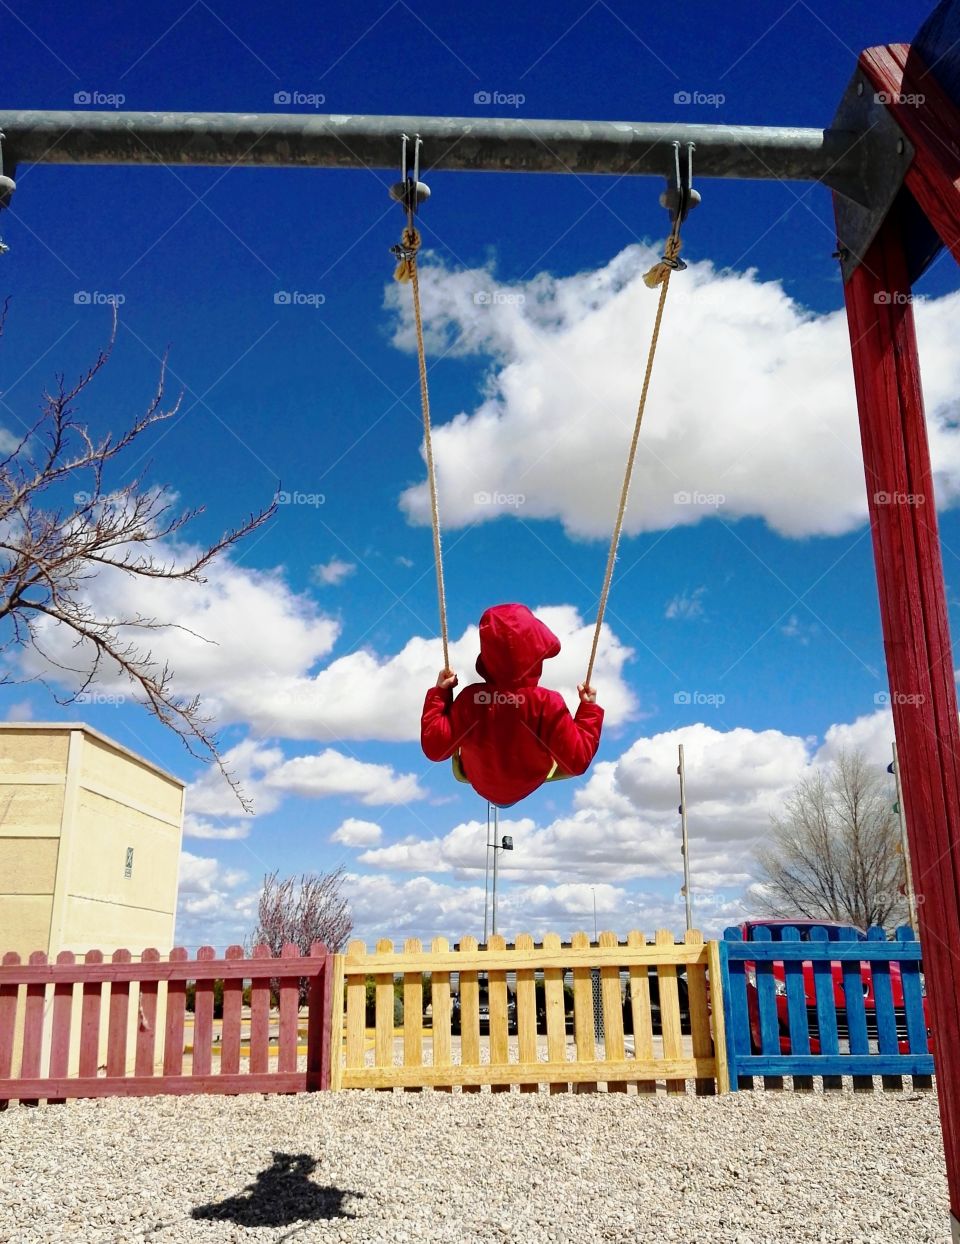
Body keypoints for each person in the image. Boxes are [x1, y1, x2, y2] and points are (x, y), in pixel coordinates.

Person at [420, 603, 604, 806]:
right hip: (529, 779)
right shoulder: (548, 703)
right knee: (561, 748)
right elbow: (577, 763)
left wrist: (441, 693)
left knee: (459, 732)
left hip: (480, 780)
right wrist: (588, 710)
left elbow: (435, 750)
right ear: (537, 652)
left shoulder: (471, 698)